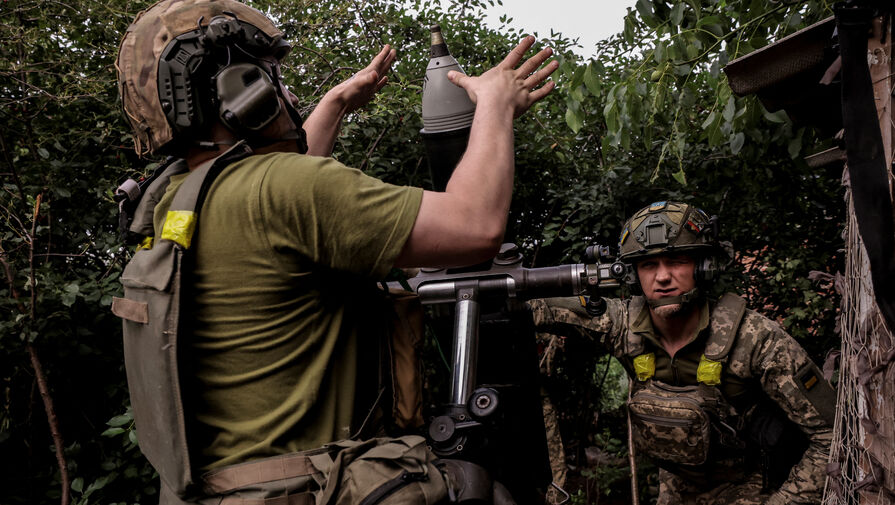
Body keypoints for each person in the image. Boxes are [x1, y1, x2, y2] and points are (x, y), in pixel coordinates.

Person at [113, 0, 557, 503]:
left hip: (224, 491)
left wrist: (335, 105)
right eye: (274, 78)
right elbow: (474, 226)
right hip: (304, 489)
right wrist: (496, 105)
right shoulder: (285, 189)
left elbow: (283, 212)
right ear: (241, 90)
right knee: (481, 487)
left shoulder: (173, 202)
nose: (289, 93)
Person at [529, 201, 835, 505]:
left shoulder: (754, 339)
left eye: (676, 261)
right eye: (649, 265)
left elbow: (830, 436)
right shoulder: (624, 327)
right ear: (634, 276)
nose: (662, 277)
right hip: (676, 492)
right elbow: (538, 308)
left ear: (703, 267)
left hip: (751, 489)